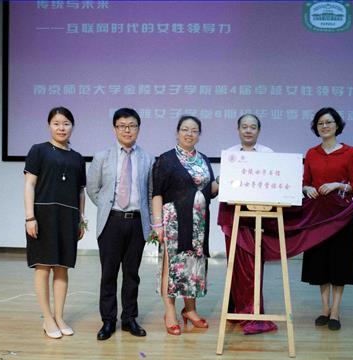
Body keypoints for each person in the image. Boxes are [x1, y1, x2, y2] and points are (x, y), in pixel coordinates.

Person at [86, 108, 155, 340]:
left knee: (132, 274)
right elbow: (92, 189)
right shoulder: (102, 157)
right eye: (122, 126)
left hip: (137, 222)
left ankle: (129, 319)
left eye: (132, 125)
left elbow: (150, 192)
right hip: (111, 222)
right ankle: (108, 321)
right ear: (115, 128)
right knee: (109, 274)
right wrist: (108, 207)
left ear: (138, 128)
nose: (127, 130)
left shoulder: (148, 158)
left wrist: (151, 222)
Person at [151, 115, 218, 335]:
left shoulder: (204, 159)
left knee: (194, 266)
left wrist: (231, 179)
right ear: (177, 132)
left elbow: (211, 189)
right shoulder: (166, 159)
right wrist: (158, 225)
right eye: (185, 129)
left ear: (199, 134)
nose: (189, 134)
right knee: (171, 267)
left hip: (199, 223)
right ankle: (170, 312)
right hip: (173, 222)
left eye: (194, 130)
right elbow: (157, 193)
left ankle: (190, 310)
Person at [24, 106, 86, 339]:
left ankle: (59, 316)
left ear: (73, 127)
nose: (61, 128)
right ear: (49, 125)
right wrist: (30, 217)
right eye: (57, 123)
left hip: (68, 217)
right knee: (43, 267)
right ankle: (47, 318)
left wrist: (81, 220)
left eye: (66, 123)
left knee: (62, 268)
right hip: (43, 216)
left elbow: (80, 191)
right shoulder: (38, 150)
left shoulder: (78, 158)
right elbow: (29, 185)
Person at [301, 107, 353, 331]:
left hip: (340, 216)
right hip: (317, 216)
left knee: (339, 262)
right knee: (320, 263)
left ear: (337, 125)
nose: (324, 126)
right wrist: (307, 189)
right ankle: (324, 308)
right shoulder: (312, 153)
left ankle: (336, 310)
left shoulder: (350, 152)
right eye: (320, 123)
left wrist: (337, 185)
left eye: (328, 122)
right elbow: (304, 183)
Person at [221, 114, 277, 335]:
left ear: (258, 131)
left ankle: (252, 310)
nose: (248, 130)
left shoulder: (268, 154)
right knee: (234, 265)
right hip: (235, 217)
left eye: (253, 127)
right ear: (238, 130)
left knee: (254, 268)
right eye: (244, 126)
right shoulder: (230, 154)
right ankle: (235, 308)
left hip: (258, 219)